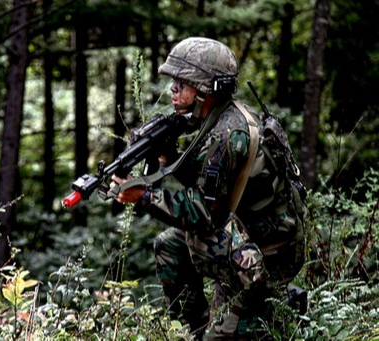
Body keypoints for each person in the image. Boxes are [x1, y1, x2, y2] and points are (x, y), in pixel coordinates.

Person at [110, 37, 305, 340]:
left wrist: (144, 197)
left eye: (182, 84)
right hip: (245, 234)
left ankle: (274, 301)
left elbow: (203, 214)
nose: (173, 91)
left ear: (207, 89)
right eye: (174, 83)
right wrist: (172, 159)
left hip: (269, 255)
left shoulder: (227, 134)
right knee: (170, 245)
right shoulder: (223, 116)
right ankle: (198, 329)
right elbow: (218, 186)